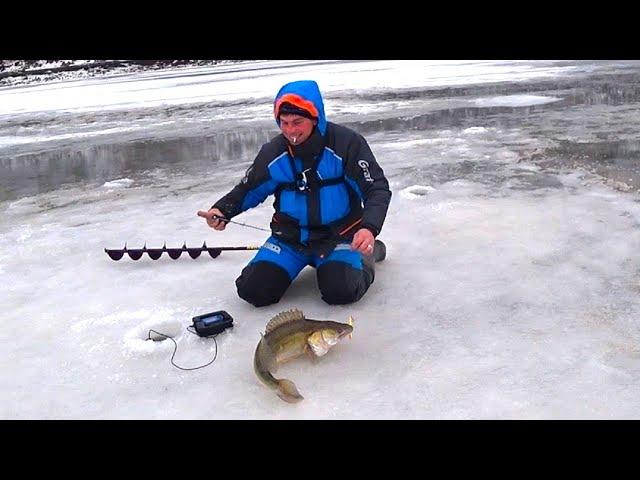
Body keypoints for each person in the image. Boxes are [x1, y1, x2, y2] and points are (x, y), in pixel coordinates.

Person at [197, 80, 391, 307]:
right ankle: (304, 262)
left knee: (341, 291)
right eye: (284, 122)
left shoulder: (346, 144)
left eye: (298, 122)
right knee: (253, 291)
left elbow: (376, 188)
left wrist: (368, 228)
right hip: (290, 239)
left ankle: (368, 254)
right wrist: (223, 209)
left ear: (315, 119)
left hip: (340, 237)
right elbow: (249, 188)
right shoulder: (274, 152)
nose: (291, 131)